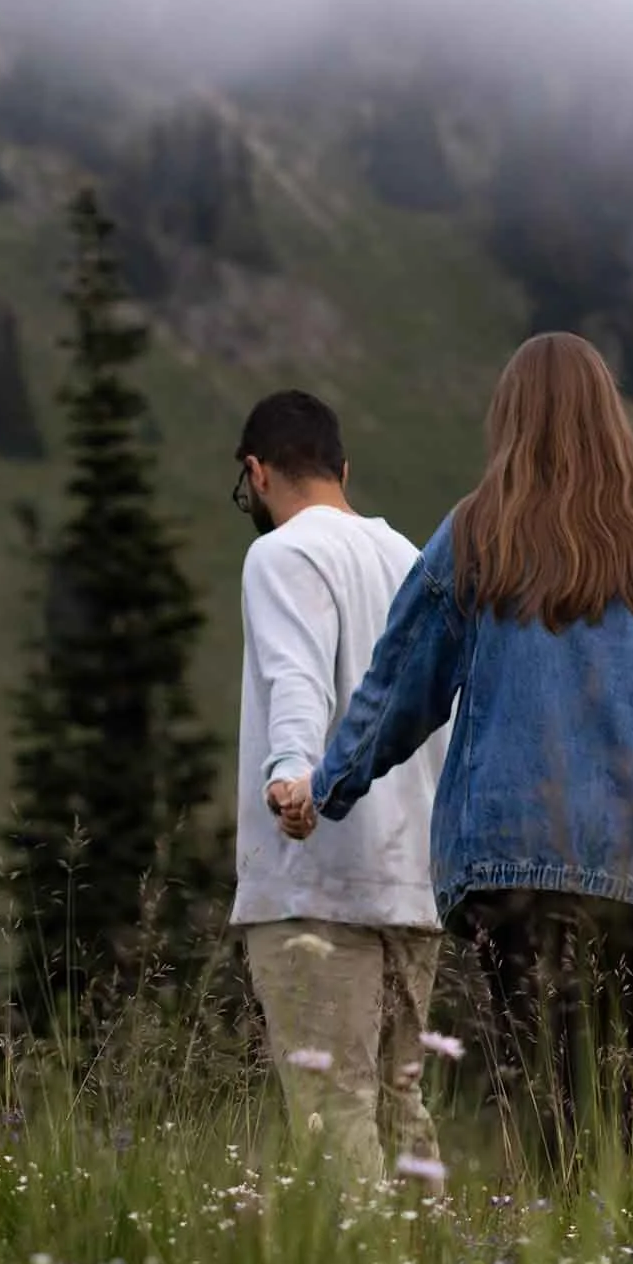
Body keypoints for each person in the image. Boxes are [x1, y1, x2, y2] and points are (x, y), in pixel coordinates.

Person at [272, 332, 633, 1173]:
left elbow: (398, 687)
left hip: (507, 865)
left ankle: (556, 1262)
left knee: (538, 1084)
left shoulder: (478, 535)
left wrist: (324, 787)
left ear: (510, 419)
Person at [231, 389, 450, 1183]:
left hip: (314, 881)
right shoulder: (414, 558)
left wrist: (291, 775)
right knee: (402, 1106)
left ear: (256, 474)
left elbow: (296, 675)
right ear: (342, 470)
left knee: (334, 1108)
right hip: (415, 880)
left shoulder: (282, 553)